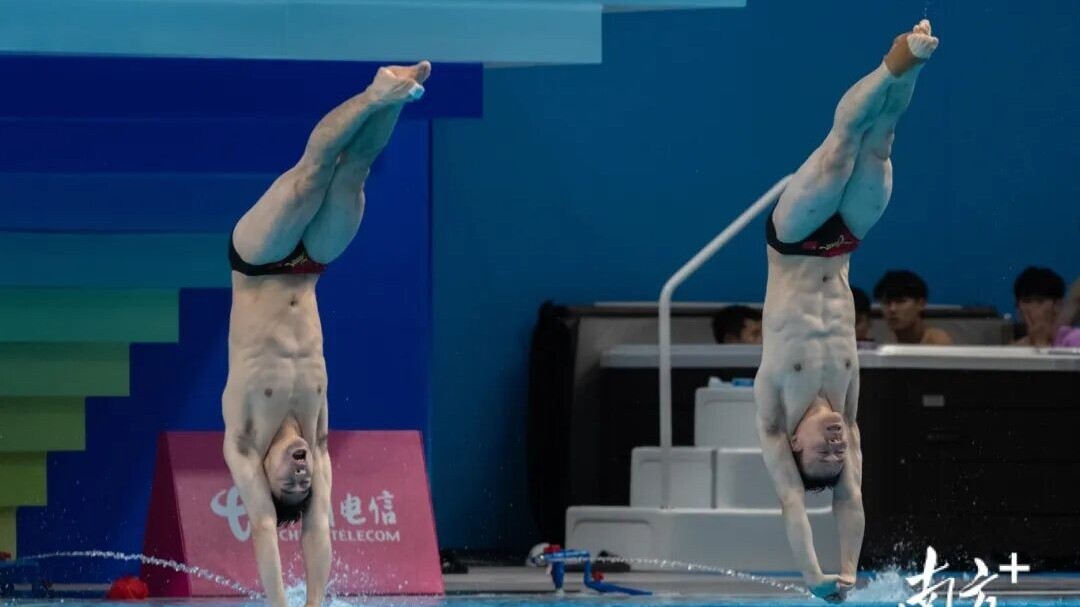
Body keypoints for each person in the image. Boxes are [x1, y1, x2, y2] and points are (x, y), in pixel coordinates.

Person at [220, 61, 431, 607]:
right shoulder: (317, 438)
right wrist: (322, 598)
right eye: (304, 481)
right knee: (354, 172)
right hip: (311, 266)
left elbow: (267, 528)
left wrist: (291, 605)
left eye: (287, 480)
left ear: (263, 475)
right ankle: (398, 96)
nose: (301, 471)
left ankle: (371, 93)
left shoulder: (243, 441)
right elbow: (321, 523)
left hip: (259, 262)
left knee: (312, 176)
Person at [753, 21, 938, 603]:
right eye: (841, 454)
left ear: (794, 447)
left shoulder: (774, 410)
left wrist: (815, 580)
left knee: (840, 150)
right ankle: (916, 62)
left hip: (794, 240)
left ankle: (892, 62)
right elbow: (851, 500)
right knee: (880, 143)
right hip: (843, 245)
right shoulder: (849, 413)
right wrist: (852, 578)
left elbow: (792, 503)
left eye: (823, 453)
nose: (836, 446)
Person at [872, 269, 953, 345]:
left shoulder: (937, 341)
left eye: (900, 301)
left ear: (921, 304)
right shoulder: (889, 345)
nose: (892, 309)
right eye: (886, 302)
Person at [1011, 267, 1080, 347]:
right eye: (1027, 301)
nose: (1032, 308)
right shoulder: (1016, 347)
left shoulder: (1075, 339)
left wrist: (1041, 343)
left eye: (1040, 301)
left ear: (1057, 305)